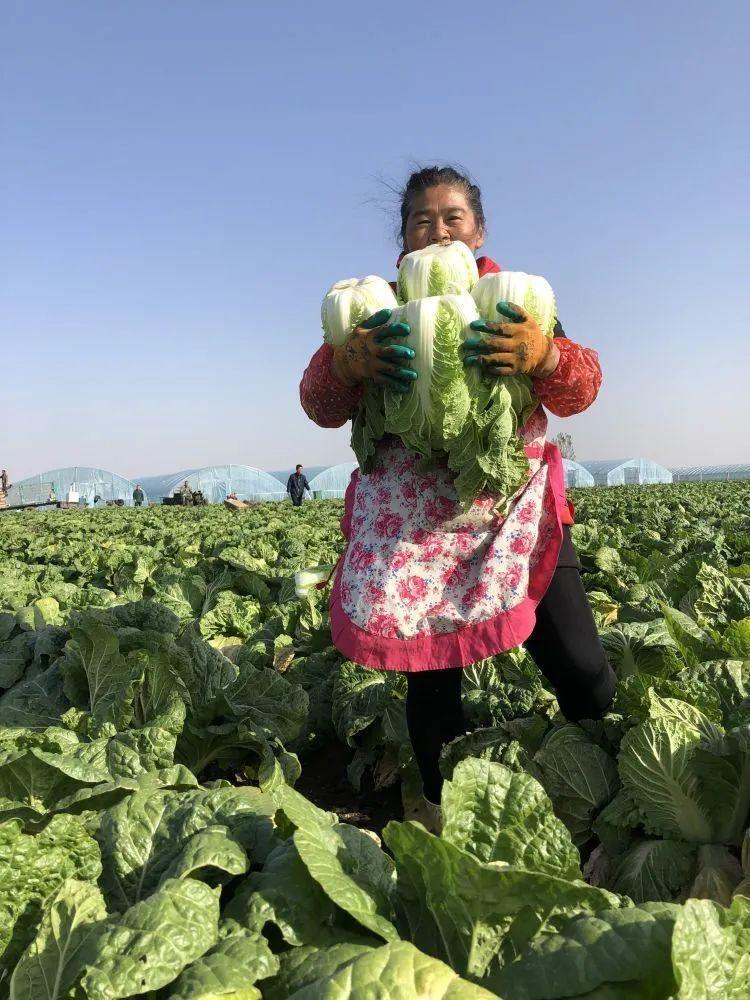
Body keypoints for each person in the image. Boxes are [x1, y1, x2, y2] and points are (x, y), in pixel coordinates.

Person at [300, 165, 616, 832]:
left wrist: (547, 355)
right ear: (404, 237)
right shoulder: (373, 308)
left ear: (478, 230)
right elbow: (319, 404)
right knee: (433, 677)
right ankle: (446, 810)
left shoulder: (516, 295)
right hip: (417, 533)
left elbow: (581, 387)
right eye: (423, 219)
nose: (439, 230)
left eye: (453, 218)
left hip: (513, 511)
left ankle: (606, 784)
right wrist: (346, 364)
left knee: (583, 669)